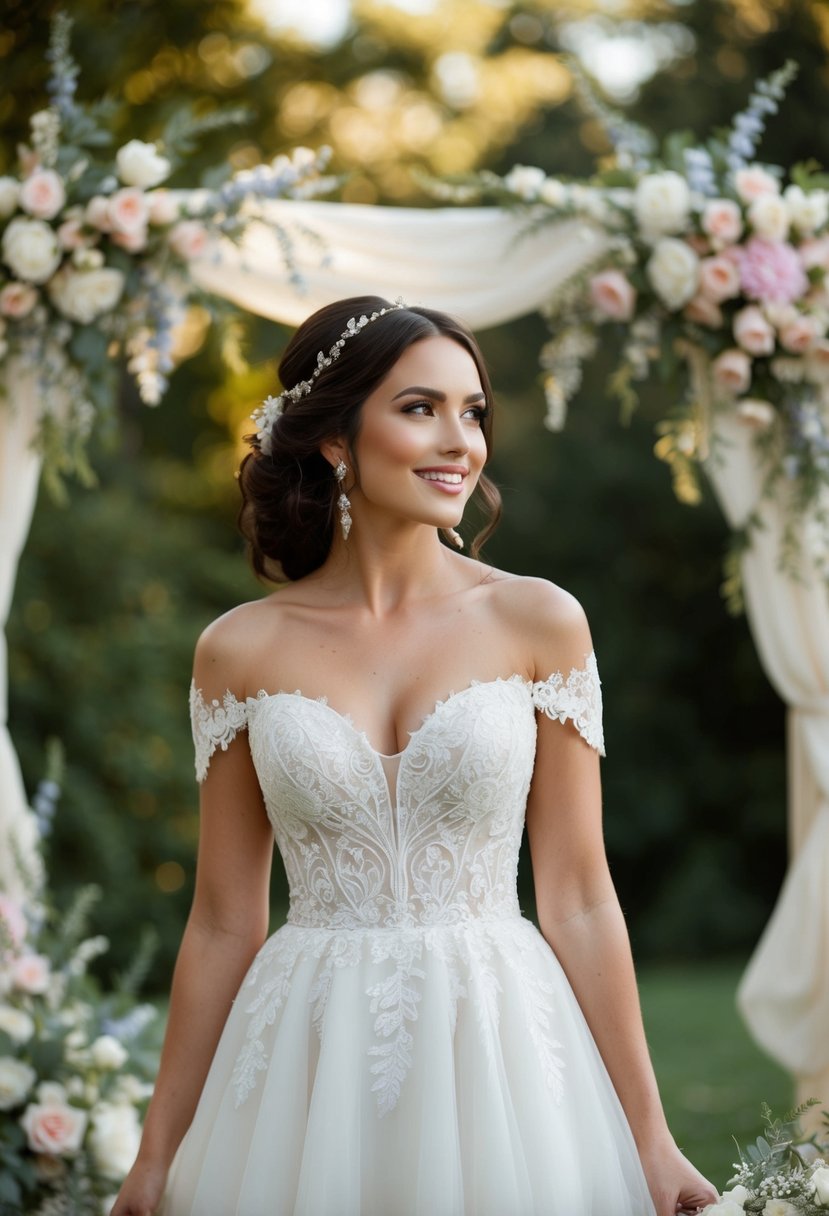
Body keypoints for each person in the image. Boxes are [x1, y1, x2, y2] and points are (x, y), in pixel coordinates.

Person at [112, 295, 717, 1216]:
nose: (458, 442)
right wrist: (156, 1157)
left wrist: (650, 1136)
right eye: (419, 408)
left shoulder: (539, 621)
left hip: (500, 1045)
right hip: (304, 1058)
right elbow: (223, 921)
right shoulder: (237, 649)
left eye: (471, 412)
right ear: (334, 440)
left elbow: (580, 895)